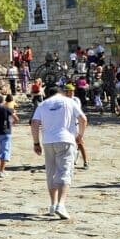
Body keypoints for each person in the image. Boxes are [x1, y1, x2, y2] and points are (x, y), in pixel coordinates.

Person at [31, 86, 87, 220]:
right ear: (61, 93)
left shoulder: (43, 104)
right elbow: (83, 119)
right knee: (65, 171)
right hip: (65, 139)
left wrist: (36, 143)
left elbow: (34, 123)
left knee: (51, 172)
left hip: (48, 141)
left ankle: (52, 204)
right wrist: (80, 135)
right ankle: (61, 204)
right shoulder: (69, 102)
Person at [64, 84, 88, 169]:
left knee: (79, 142)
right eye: (70, 91)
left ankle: (85, 161)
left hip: (76, 123)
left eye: (72, 91)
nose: (71, 93)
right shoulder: (63, 100)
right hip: (66, 124)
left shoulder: (75, 100)